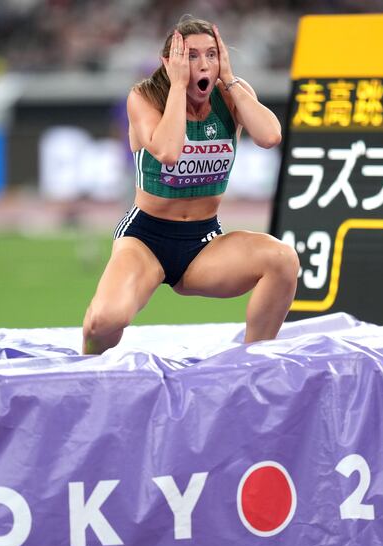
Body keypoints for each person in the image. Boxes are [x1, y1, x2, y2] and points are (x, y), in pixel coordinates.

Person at [82, 16, 298, 355]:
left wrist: (229, 79)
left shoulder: (231, 96)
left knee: (283, 259)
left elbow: (270, 136)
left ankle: (255, 362)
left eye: (211, 55)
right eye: (191, 55)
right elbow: (168, 151)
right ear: (170, 62)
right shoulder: (144, 97)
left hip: (203, 242)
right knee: (104, 322)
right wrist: (179, 88)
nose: (203, 64)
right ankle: (85, 373)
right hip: (146, 239)